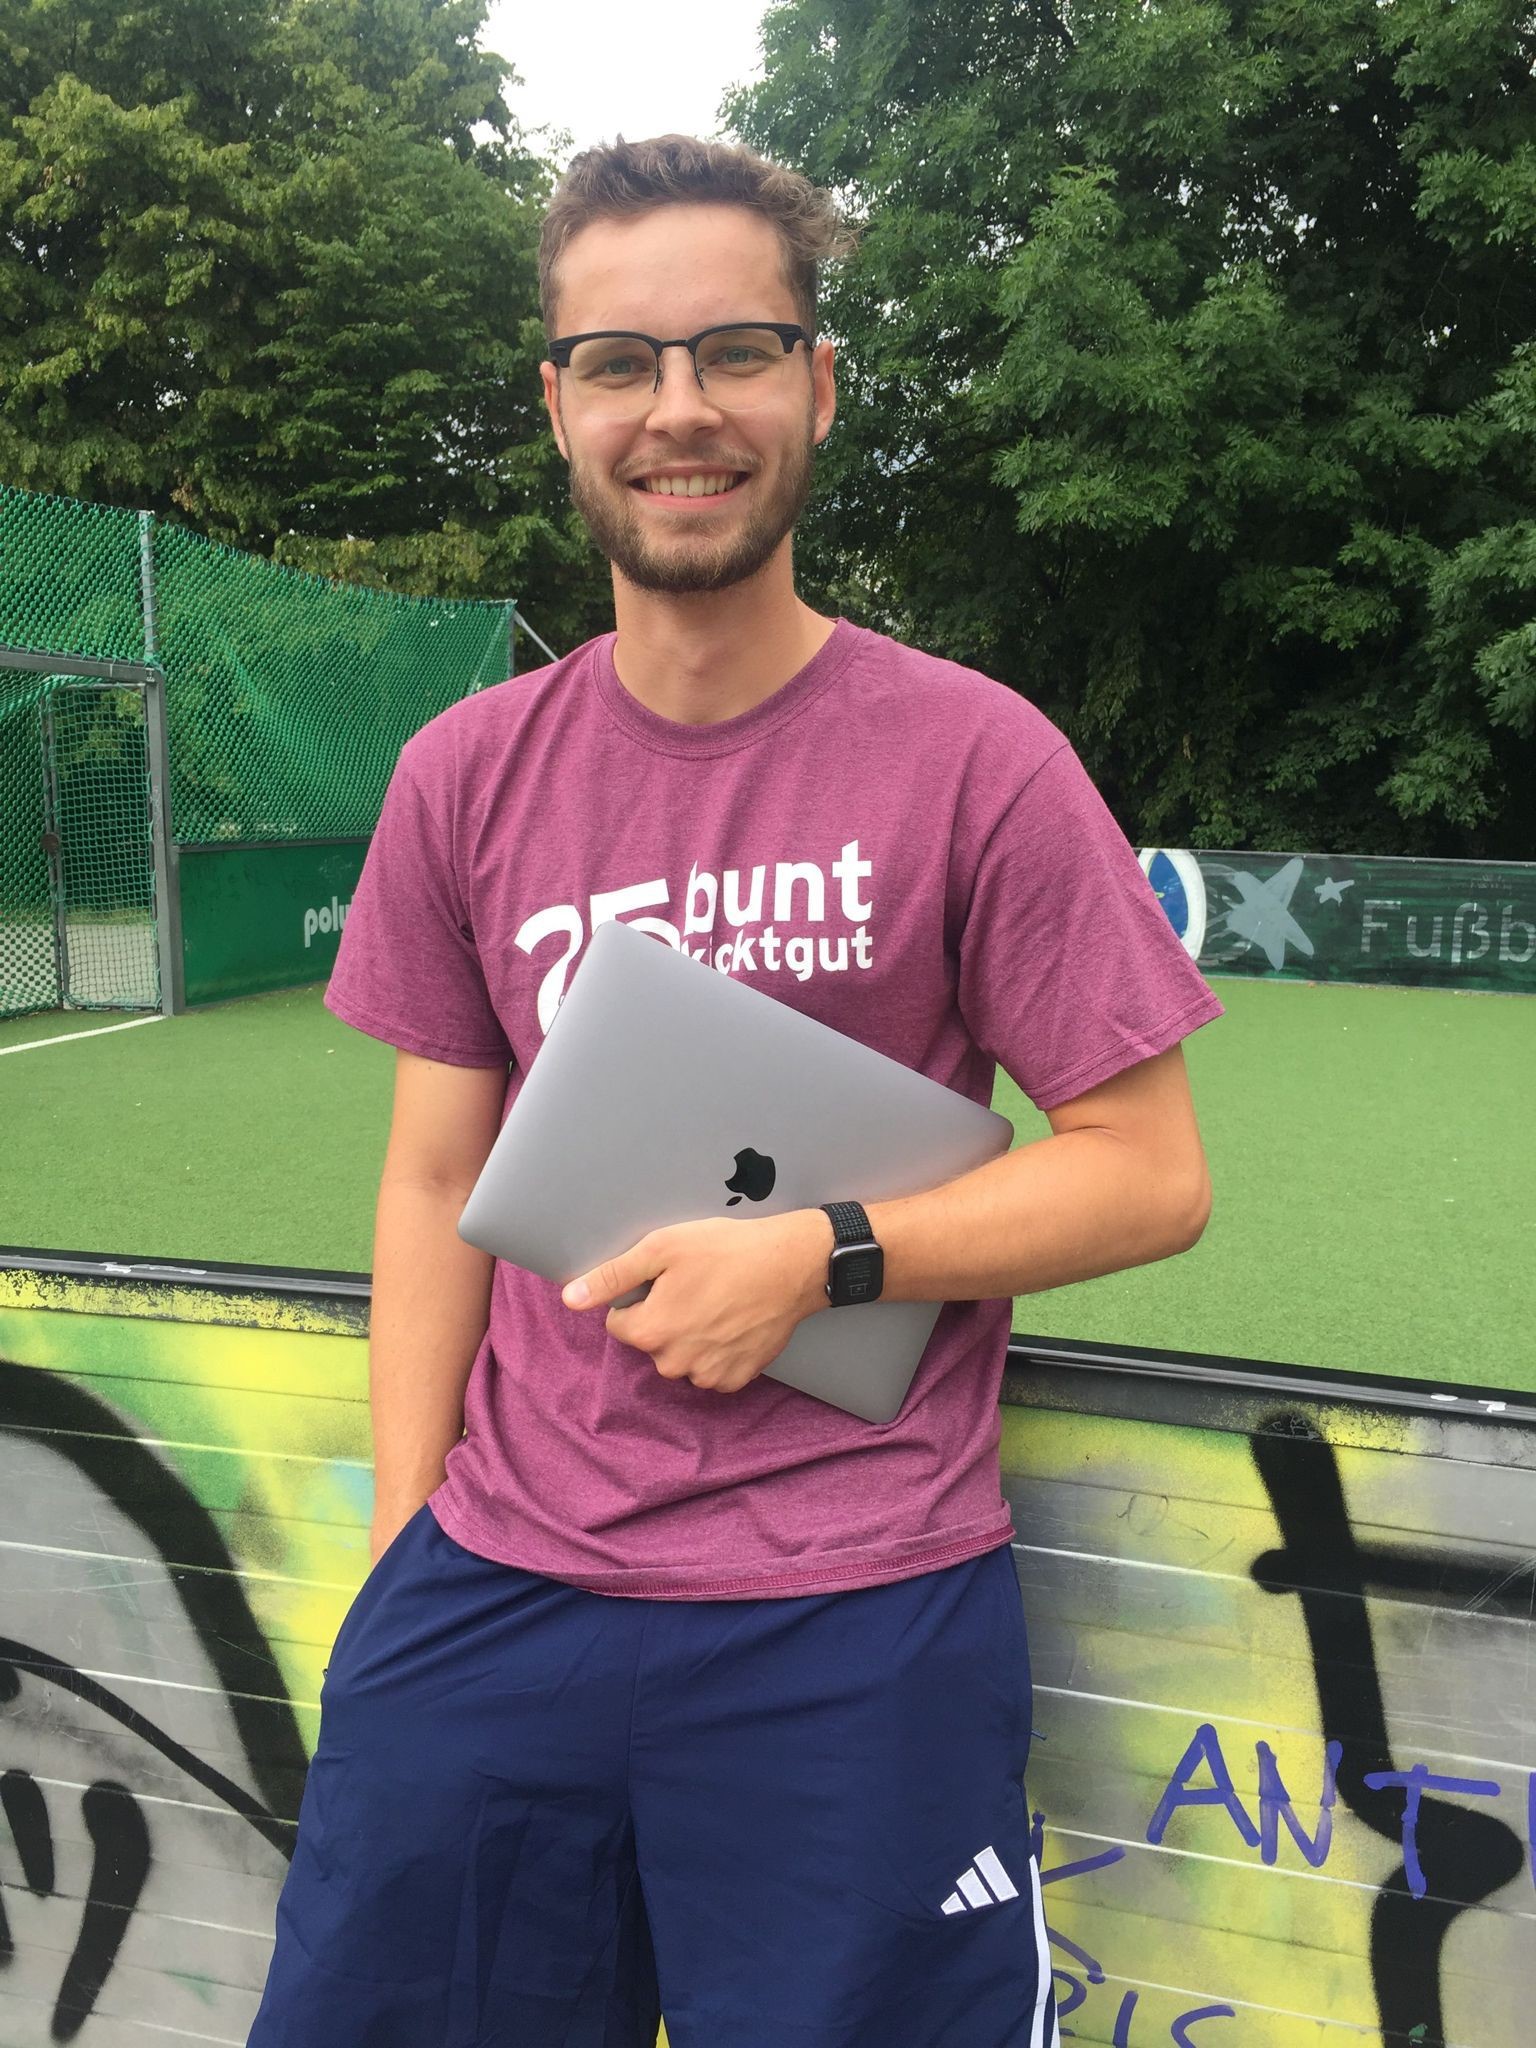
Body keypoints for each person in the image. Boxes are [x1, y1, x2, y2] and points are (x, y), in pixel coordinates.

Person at [249, 134, 1222, 2048]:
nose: (677, 411)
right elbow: (431, 1172)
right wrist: (401, 1552)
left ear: (819, 384)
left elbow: (1149, 1173)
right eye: (620, 361)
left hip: (856, 1619)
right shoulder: (466, 774)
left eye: (735, 352)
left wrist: (828, 1257)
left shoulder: (978, 759)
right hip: (497, 1598)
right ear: (558, 404)